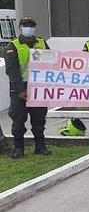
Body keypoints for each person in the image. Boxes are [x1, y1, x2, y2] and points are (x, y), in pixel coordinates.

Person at [5, 17, 51, 158]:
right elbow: (12, 70)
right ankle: (19, 148)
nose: (29, 28)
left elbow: (53, 62)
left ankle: (40, 146)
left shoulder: (42, 43)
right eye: (26, 25)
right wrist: (20, 90)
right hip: (20, 88)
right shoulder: (13, 46)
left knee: (39, 119)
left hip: (38, 87)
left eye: (31, 25)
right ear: (20, 27)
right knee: (19, 119)